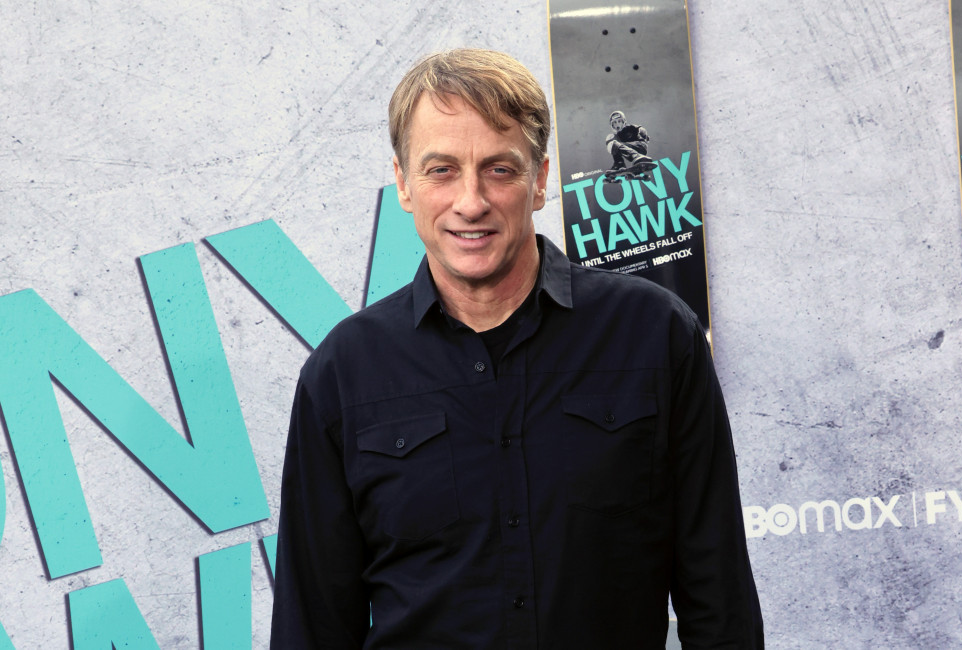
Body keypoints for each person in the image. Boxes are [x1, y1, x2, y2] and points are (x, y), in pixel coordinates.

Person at [270, 48, 763, 649]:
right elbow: (311, 625)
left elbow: (720, 599)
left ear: (540, 180)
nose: (470, 201)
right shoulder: (343, 373)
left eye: (499, 169)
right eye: (441, 170)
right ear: (402, 183)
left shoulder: (655, 335)